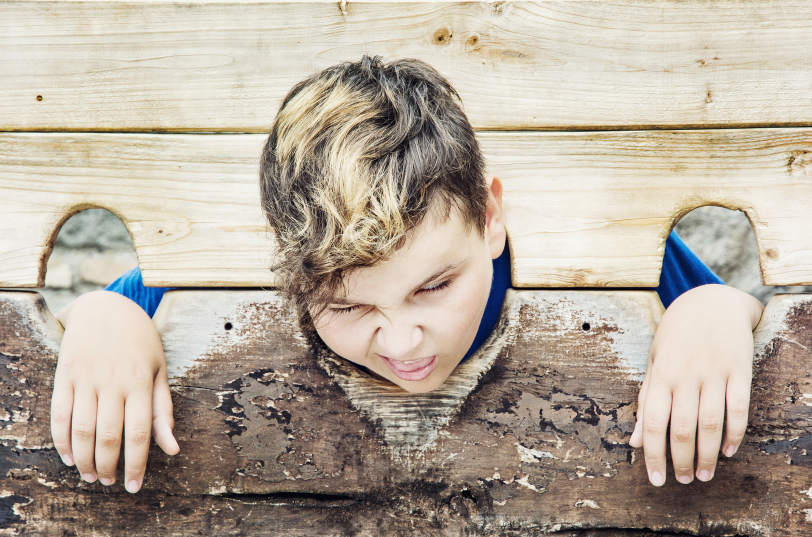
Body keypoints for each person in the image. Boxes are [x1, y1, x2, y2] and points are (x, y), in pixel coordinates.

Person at [50, 56, 764, 494]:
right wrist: (104, 318)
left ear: (490, 215)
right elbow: (104, 320)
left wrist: (715, 309)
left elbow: (742, 317)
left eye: (434, 286)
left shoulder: (613, 256)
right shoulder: (205, 268)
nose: (401, 341)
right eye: (347, 307)